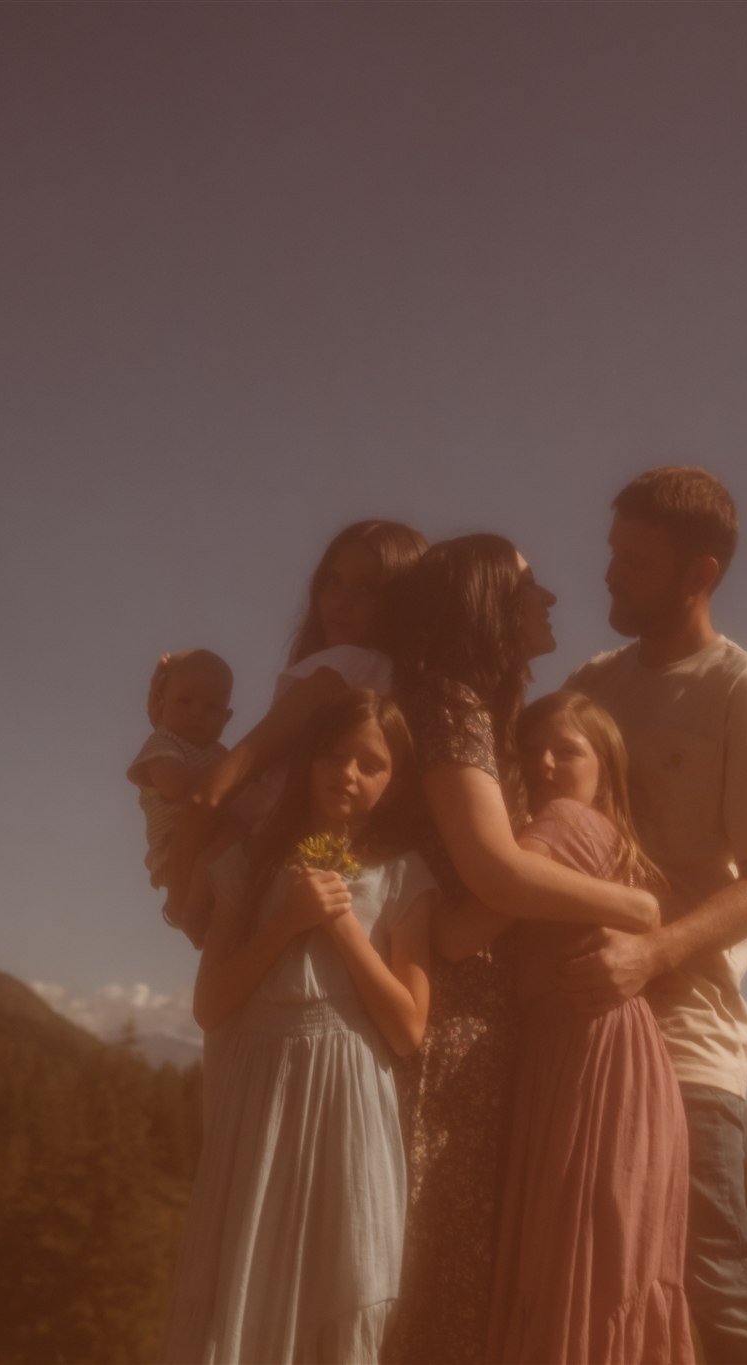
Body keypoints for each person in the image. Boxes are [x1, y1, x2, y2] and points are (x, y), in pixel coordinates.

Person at [563, 467, 747, 1365]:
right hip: (577, 1021)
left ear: (698, 574)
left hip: (685, 1038)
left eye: (634, 561)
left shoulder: (746, 691)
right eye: (612, 553)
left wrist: (651, 952)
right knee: (592, 1281)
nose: (609, 575)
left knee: (714, 1280)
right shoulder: (592, 684)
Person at [379, 534, 660, 1365]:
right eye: (527, 587)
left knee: (459, 1258)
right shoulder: (455, 705)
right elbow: (494, 874)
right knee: (438, 1253)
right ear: (486, 603)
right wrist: (639, 906)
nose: (549, 600)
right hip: (450, 1007)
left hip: (482, 1011)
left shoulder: (481, 715)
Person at [161, 689, 434, 1365]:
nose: (348, 773)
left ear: (394, 778)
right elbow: (211, 1003)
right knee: (246, 1281)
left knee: (338, 1284)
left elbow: (409, 1029)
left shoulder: (403, 874)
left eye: (371, 763)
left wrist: (340, 921)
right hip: (262, 1085)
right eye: (333, 755)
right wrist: (284, 919)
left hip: (352, 1097)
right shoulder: (249, 863)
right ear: (307, 762)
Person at [479, 690, 694, 1364]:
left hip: (586, 1061)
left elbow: (482, 903)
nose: (543, 762)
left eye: (565, 749)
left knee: (567, 1270)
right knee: (608, 1275)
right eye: (530, 749)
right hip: (624, 1064)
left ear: (607, 766)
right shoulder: (617, 844)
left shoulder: (565, 820)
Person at [155, 520, 428, 918]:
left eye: (367, 589)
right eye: (333, 581)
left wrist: (177, 903)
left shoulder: (340, 666)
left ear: (402, 602)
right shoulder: (393, 679)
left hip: (256, 844)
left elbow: (210, 794)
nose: (340, 601)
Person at [127, 648, 233, 940]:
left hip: (211, 840)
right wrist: (234, 781)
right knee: (227, 840)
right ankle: (186, 911)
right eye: (184, 701)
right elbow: (177, 787)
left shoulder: (219, 753)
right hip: (175, 847)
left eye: (211, 707)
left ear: (226, 718)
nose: (197, 712)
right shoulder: (163, 742)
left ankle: (213, 918)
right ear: (161, 705)